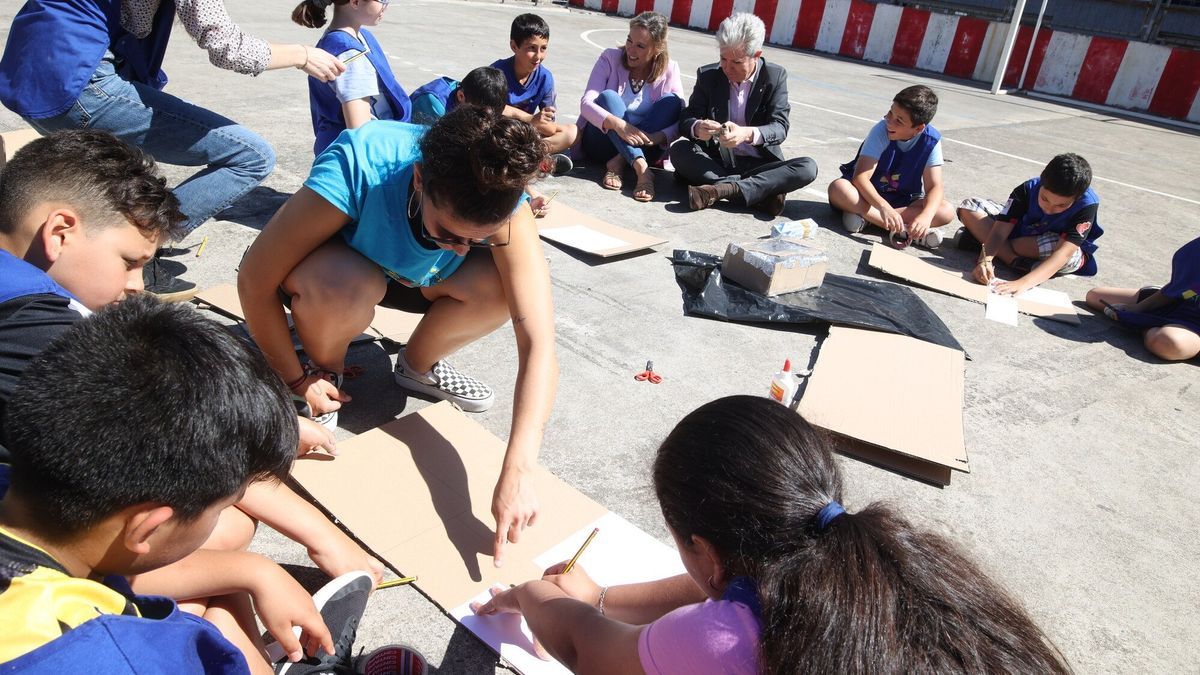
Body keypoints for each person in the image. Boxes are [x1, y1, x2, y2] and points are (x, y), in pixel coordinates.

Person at [0, 130, 382, 606]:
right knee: (217, 526)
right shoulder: (43, 336)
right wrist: (311, 544)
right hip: (23, 557)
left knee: (228, 523)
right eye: (129, 262)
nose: (139, 286)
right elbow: (182, 433)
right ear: (59, 232)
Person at [472, 395, 1071, 674]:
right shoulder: (878, 561)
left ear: (704, 551)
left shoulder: (725, 641)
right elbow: (709, 589)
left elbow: (582, 649)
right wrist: (602, 596)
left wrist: (529, 591)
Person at [237, 106, 558, 566]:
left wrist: (519, 466)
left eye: (481, 240)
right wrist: (294, 377)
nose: (462, 249)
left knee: (501, 288)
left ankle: (417, 366)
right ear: (420, 180)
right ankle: (325, 370)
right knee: (343, 287)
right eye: (449, 232)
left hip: (421, 283)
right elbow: (254, 279)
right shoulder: (365, 160)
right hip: (347, 270)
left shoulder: (505, 203)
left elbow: (539, 341)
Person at [0, 295, 378, 673]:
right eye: (218, 507)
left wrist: (251, 570)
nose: (223, 512)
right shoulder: (114, 655)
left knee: (227, 547)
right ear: (149, 526)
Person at [0, 0, 347, 298]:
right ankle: (142, 251)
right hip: (79, 82)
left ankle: (82, 255)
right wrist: (303, 55)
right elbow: (229, 48)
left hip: (32, 76)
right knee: (250, 156)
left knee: (115, 169)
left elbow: (133, 19)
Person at [669, 13, 817, 217]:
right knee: (679, 150)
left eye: (736, 62)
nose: (727, 68)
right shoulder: (708, 75)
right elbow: (687, 117)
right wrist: (697, 127)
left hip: (760, 165)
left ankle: (721, 190)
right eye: (723, 58)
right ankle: (757, 193)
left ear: (756, 55)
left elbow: (780, 127)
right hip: (716, 161)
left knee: (807, 167)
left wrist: (746, 134)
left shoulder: (774, 76)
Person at [958, 153, 1104, 295]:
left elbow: (1063, 253)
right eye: (1045, 199)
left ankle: (981, 240)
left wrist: (1023, 283)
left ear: (1077, 197)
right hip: (1019, 232)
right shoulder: (1027, 188)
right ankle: (1013, 260)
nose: (1049, 208)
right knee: (970, 206)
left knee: (1066, 256)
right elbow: (1000, 230)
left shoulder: (1087, 205)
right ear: (1042, 182)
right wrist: (985, 260)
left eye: (1061, 206)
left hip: (1051, 244)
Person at [828, 84, 954, 248]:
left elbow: (935, 186)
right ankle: (907, 232)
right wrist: (884, 208)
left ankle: (869, 221)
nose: (889, 121)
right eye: (890, 112)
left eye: (899, 120)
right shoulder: (881, 130)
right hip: (867, 197)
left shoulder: (931, 141)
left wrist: (926, 217)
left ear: (918, 128)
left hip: (900, 202)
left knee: (946, 211)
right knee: (838, 188)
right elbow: (860, 177)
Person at [576, 11, 684, 202]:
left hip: (646, 146)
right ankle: (642, 170)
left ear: (657, 49)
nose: (630, 50)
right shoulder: (610, 58)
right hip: (602, 143)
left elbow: (680, 118)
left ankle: (618, 162)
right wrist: (619, 125)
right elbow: (587, 104)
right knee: (609, 98)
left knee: (673, 101)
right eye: (629, 41)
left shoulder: (670, 69)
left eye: (640, 46)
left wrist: (657, 137)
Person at [293, 0, 412, 155]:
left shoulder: (355, 37)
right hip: (359, 156)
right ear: (355, 2)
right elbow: (360, 133)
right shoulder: (350, 55)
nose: (386, 5)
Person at [1086, 235, 1200, 361]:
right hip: (1183, 299)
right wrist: (1138, 308)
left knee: (1166, 343)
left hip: (1193, 328)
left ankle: (1145, 326)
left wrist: (1140, 321)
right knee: (1095, 296)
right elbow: (1183, 284)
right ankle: (1149, 314)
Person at [491, 13, 578, 172]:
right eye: (531, 48)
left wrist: (542, 121)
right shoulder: (497, 72)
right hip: (501, 133)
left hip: (527, 135)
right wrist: (530, 119)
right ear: (514, 46)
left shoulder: (545, 78)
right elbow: (491, 108)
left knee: (571, 132)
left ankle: (528, 158)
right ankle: (536, 160)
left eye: (543, 48)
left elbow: (549, 127)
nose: (538, 56)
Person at [410, 66, 508, 125]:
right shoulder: (435, 105)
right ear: (461, 96)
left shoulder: (471, 96)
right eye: (482, 116)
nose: (487, 122)